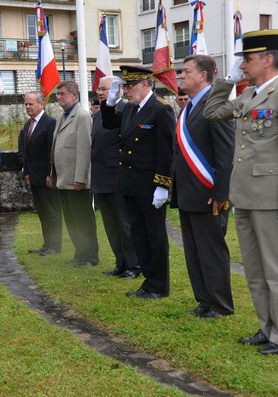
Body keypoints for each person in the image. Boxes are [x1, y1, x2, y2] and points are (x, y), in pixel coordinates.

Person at [203, 29, 278, 354]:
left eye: (247, 60)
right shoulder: (249, 94)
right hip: (245, 195)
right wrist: (226, 81)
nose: (243, 66)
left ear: (267, 59)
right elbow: (212, 112)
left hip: (272, 197)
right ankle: (268, 327)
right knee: (255, 268)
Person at [101, 66, 174, 299]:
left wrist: (163, 185)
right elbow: (110, 124)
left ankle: (159, 285)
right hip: (130, 184)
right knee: (138, 235)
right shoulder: (132, 109)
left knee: (156, 237)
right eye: (124, 87)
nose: (126, 91)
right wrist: (109, 103)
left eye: (130, 87)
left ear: (145, 85)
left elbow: (166, 151)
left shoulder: (160, 110)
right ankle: (149, 281)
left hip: (150, 186)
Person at [172, 55, 235, 318]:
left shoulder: (216, 106)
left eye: (186, 72)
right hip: (189, 193)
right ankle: (204, 300)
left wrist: (221, 193)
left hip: (209, 195)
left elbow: (226, 155)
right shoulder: (190, 107)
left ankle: (220, 305)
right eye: (181, 72)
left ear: (204, 75)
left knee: (211, 252)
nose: (181, 76)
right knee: (194, 251)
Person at [92, 76, 140, 279]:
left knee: (124, 224)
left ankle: (133, 265)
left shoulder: (126, 110)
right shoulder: (97, 115)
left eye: (105, 89)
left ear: (118, 89)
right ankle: (120, 262)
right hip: (100, 178)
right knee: (111, 225)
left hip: (118, 177)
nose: (101, 93)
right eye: (99, 90)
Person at [49, 80, 99, 266]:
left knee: (83, 219)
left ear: (74, 95)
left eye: (62, 93)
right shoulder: (62, 116)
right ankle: (80, 253)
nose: (58, 97)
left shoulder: (82, 117)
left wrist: (80, 178)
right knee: (71, 220)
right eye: (58, 94)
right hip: (63, 179)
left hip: (76, 181)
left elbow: (84, 150)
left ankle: (90, 256)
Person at [18, 91, 62, 256]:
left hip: (46, 177)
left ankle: (55, 246)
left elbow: (51, 151)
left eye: (31, 104)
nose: (28, 107)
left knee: (52, 212)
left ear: (41, 103)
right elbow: (26, 152)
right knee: (43, 212)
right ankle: (47, 243)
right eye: (26, 104)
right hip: (34, 177)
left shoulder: (50, 123)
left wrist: (50, 174)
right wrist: (27, 173)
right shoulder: (28, 124)